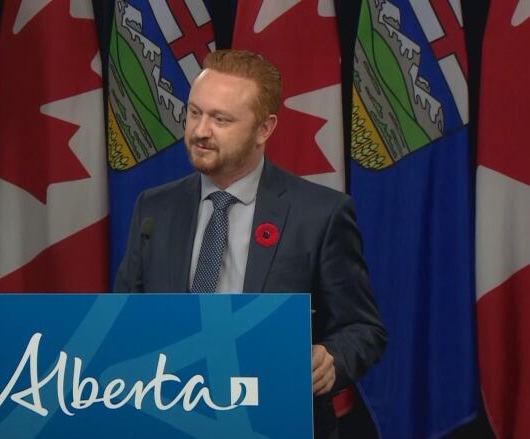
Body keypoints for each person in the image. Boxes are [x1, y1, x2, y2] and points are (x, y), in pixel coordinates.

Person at [114, 49, 386, 438]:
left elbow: (363, 328)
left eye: (220, 119)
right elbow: (126, 317)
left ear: (264, 129)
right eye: (194, 113)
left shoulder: (320, 214)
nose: (200, 131)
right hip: (169, 421)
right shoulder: (154, 208)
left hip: (276, 421)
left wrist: (332, 360)